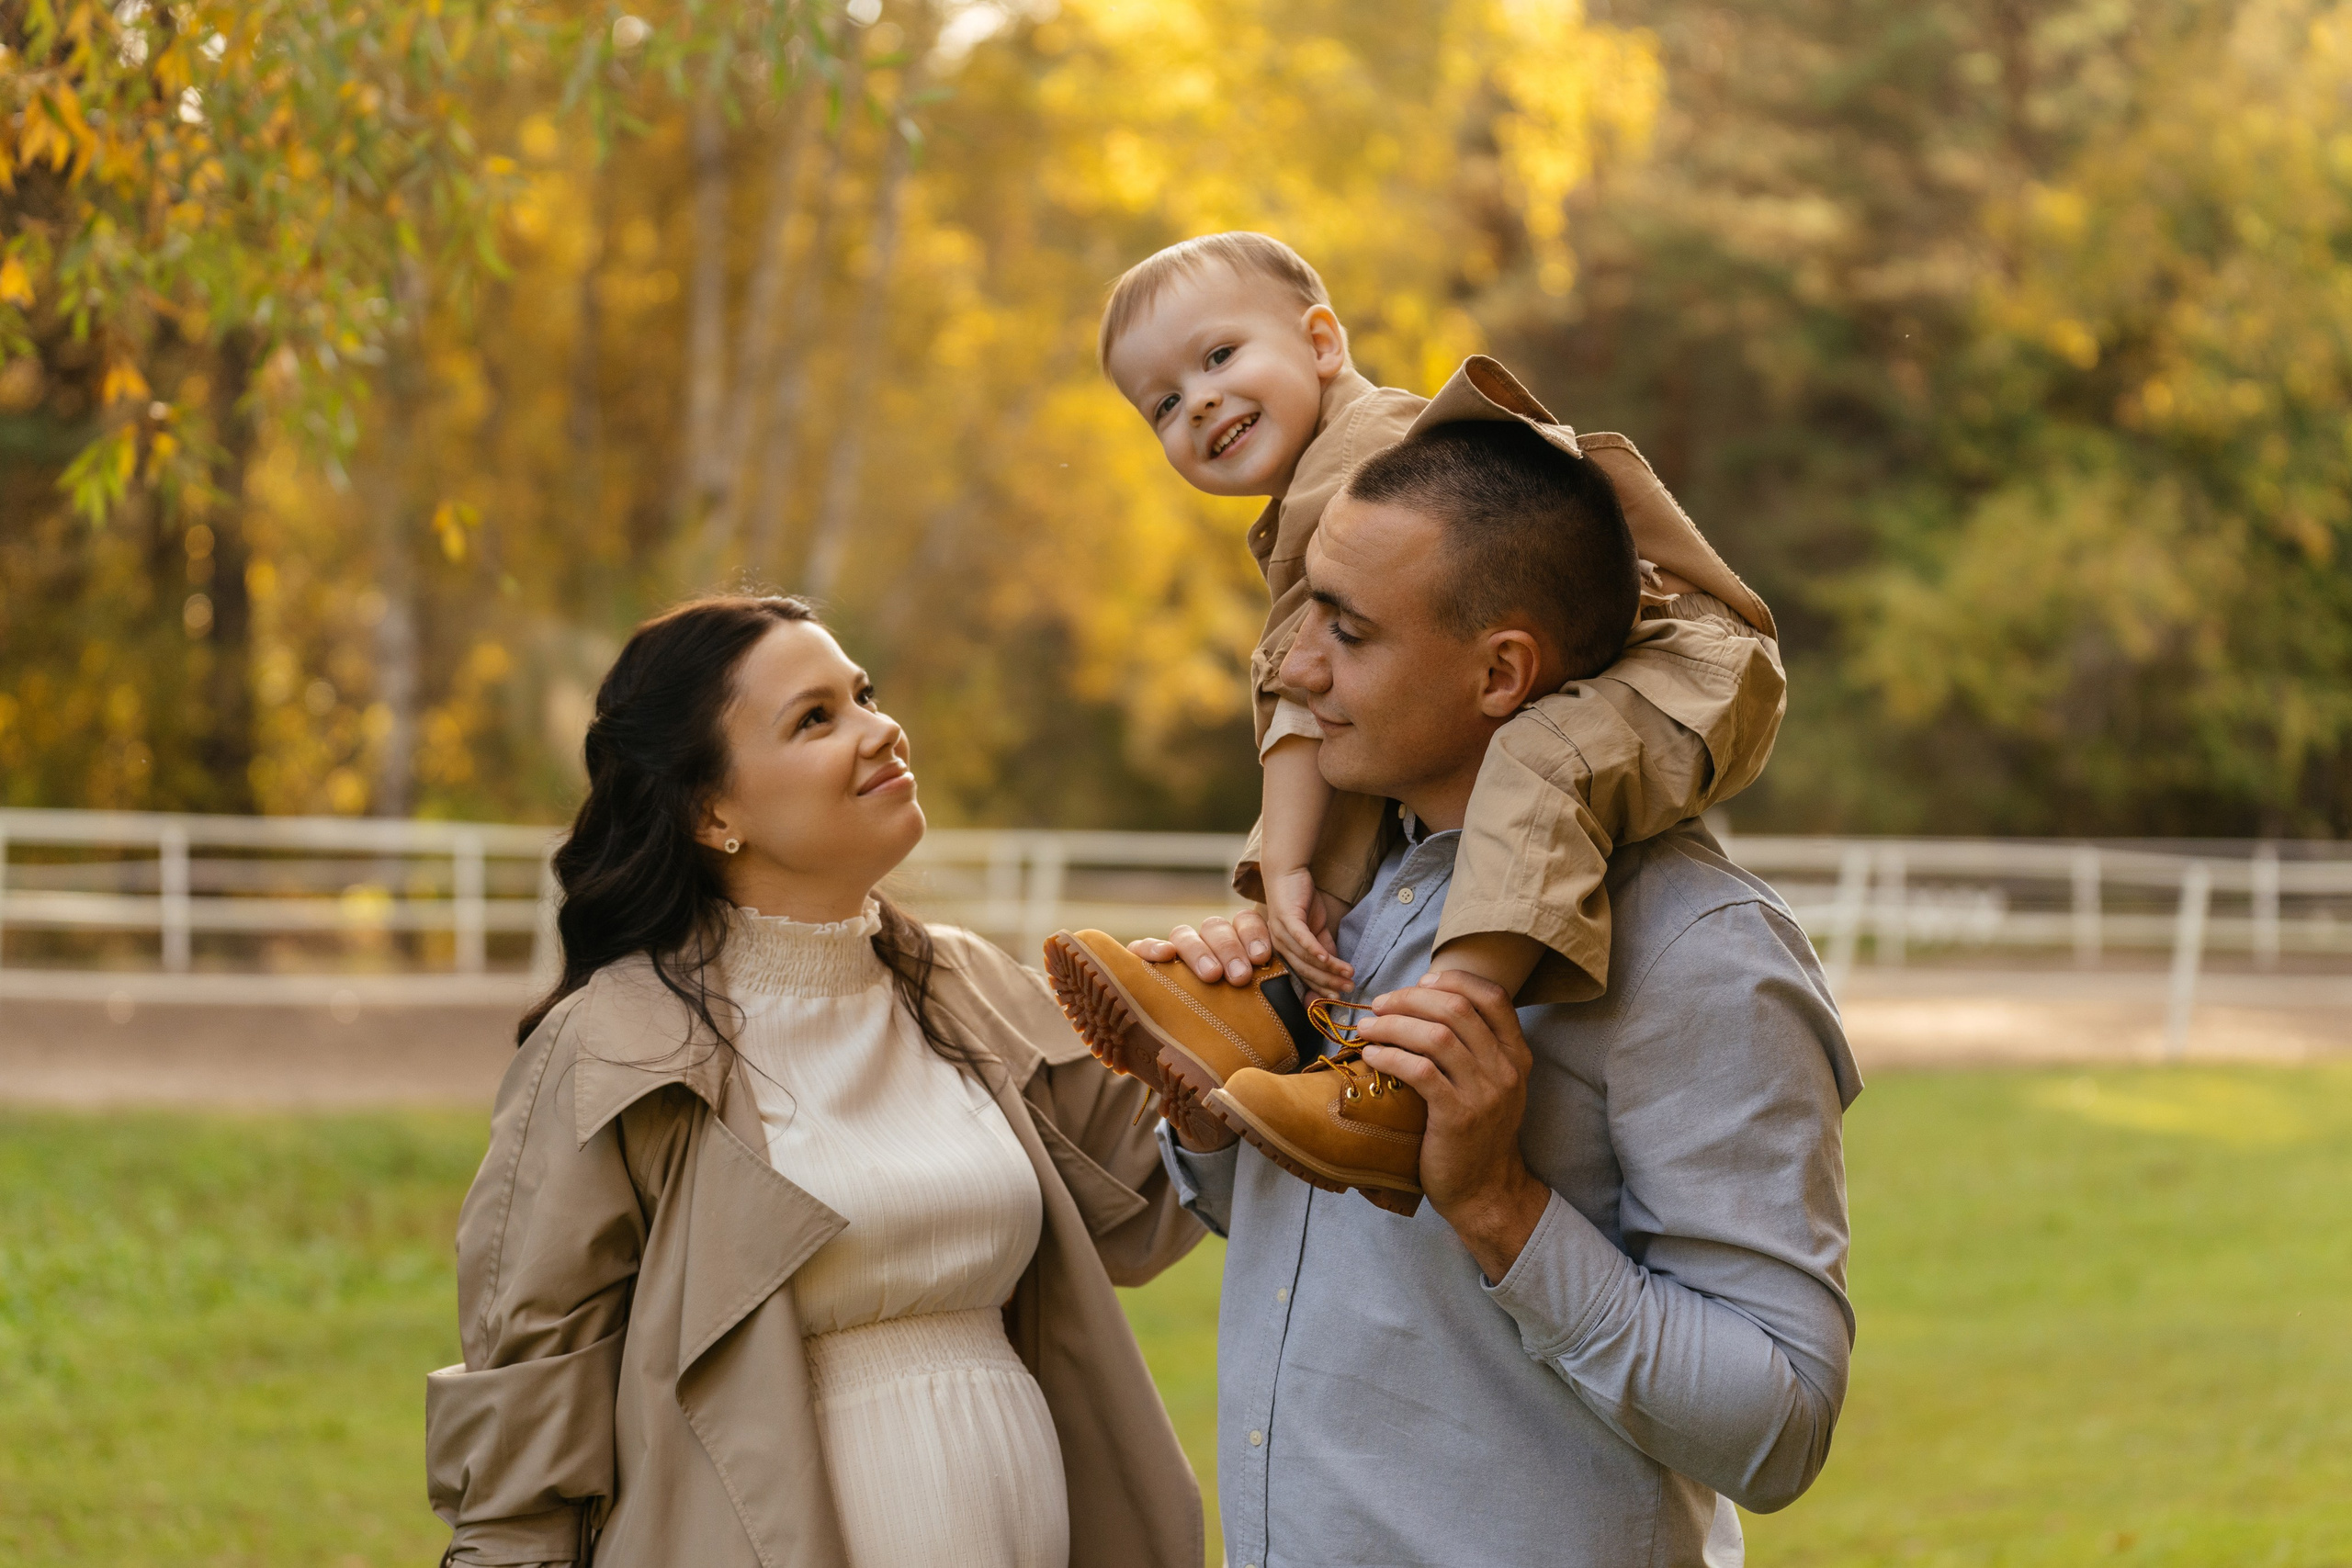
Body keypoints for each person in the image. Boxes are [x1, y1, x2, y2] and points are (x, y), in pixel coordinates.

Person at [1128, 416, 1863, 1565]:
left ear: (1502, 672)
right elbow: (1340, 1264)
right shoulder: (1347, 895)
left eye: (1350, 632)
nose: (1297, 666)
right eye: (1305, 607)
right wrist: (1208, 1108)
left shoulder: (1697, 950)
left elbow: (1778, 1427)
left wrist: (1496, 1204)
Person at [424, 595, 1206, 1568]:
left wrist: (1243, 1011)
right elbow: (527, 1408)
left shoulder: (965, 988)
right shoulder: (615, 1047)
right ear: (713, 811)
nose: (882, 731)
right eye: (815, 718)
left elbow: (1145, 1191)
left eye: (864, 696)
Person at [1049, 232, 1786, 1208]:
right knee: (1364, 758)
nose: (1202, 403)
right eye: (1165, 405)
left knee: (1537, 758)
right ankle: (1277, 1008)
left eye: (1219, 357)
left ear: (1321, 342)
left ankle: (1414, 1066)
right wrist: (1285, 879)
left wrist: (1281, 867)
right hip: (1591, 652)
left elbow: (1294, 686)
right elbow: (1317, 691)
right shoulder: (1316, 492)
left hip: (1688, 660)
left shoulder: (1370, 451)